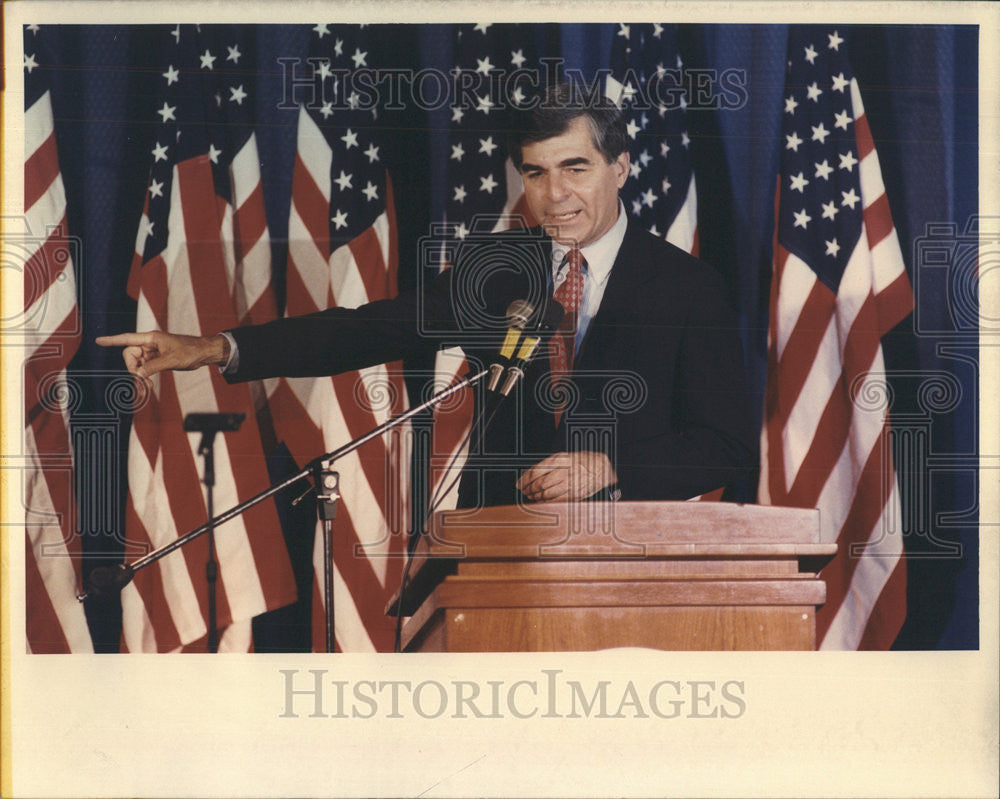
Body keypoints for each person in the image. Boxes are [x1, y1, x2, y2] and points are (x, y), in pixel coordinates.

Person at [99, 83, 755, 508]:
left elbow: (726, 444)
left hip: (632, 561)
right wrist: (214, 347)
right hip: (496, 556)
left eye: (575, 168)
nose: (555, 195)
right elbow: (364, 329)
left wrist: (608, 466)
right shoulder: (495, 272)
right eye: (536, 173)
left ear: (620, 167)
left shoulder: (688, 287)